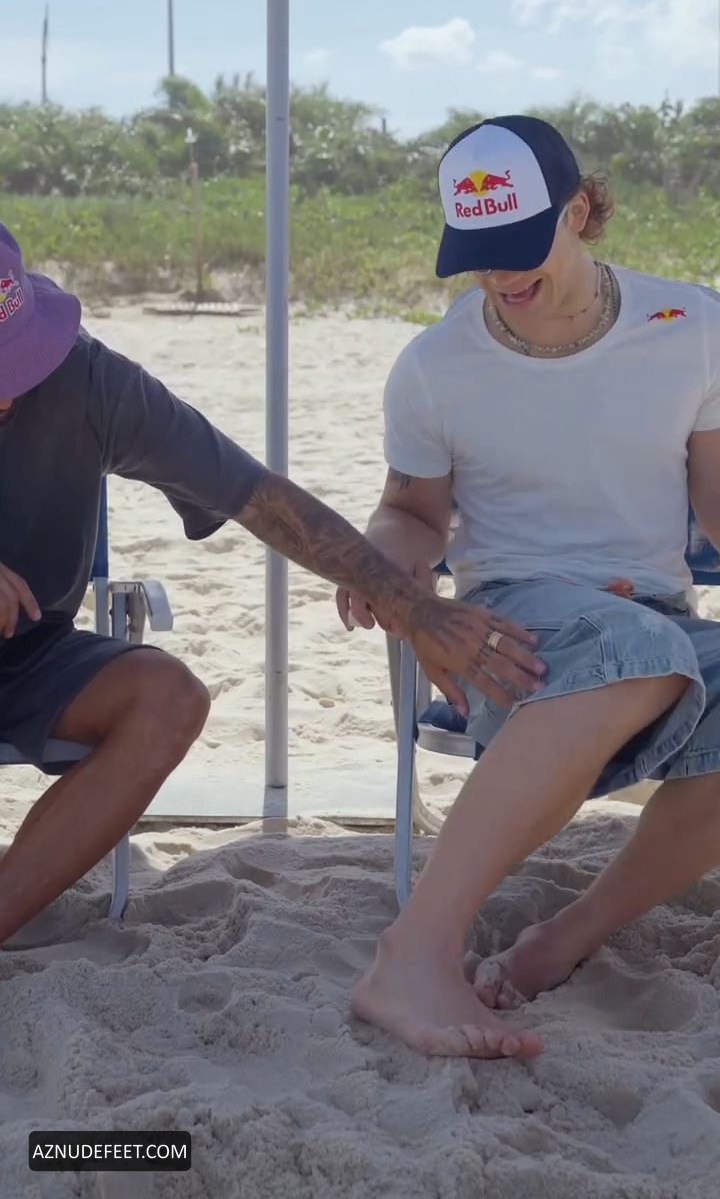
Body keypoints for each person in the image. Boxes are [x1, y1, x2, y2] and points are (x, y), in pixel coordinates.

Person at [0, 221, 547, 947]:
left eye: (19, 360)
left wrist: (414, 606)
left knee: (168, 700)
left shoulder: (89, 380)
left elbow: (261, 499)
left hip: (29, 655)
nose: (10, 392)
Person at [338, 114, 720, 1060]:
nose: (499, 275)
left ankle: (567, 937)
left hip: (653, 623)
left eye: (518, 244)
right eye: (477, 253)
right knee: (643, 648)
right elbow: (412, 513)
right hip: (509, 622)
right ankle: (411, 954)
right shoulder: (434, 367)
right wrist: (383, 567)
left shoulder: (693, 327)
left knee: (649, 641)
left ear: (578, 211)